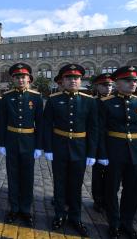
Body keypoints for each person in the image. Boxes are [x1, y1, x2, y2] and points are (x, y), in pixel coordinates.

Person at [43, 64, 98, 237]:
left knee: (76, 184)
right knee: (59, 184)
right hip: (59, 147)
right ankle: (59, 215)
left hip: (80, 149)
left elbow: (94, 128)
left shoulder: (89, 101)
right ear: (63, 81)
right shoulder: (53, 99)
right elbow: (46, 126)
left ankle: (76, 217)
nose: (72, 81)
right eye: (68, 78)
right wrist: (49, 148)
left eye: (76, 78)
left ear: (80, 80)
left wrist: (91, 152)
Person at [98, 66, 137, 239]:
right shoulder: (106, 103)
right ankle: (113, 223)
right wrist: (103, 154)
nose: (133, 84)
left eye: (135, 81)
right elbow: (100, 131)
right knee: (111, 189)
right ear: (117, 83)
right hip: (114, 152)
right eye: (128, 81)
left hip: (135, 153)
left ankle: (127, 223)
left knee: (132, 190)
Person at [0, 62, 43, 227]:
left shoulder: (36, 97)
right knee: (12, 176)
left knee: (27, 177)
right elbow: (2, 121)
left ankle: (26, 209)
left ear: (29, 79)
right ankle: (14, 208)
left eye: (23, 77)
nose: (20, 79)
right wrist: (2, 143)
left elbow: (40, 123)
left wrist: (39, 146)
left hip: (29, 141)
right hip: (11, 141)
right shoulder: (7, 97)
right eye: (17, 77)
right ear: (13, 79)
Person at [91, 73, 114, 212]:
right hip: (98, 142)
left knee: (112, 174)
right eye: (104, 86)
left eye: (110, 85)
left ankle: (109, 199)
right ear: (97, 86)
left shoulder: (116, 101)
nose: (108, 88)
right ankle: (98, 200)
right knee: (98, 174)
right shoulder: (93, 102)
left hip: (114, 143)